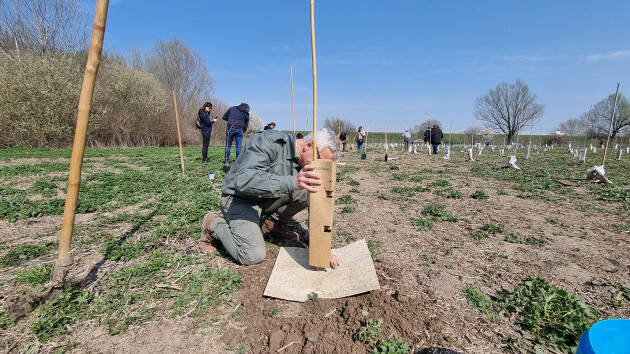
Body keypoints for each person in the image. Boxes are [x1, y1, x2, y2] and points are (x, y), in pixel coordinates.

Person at [200, 128, 341, 267]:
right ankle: (213, 224)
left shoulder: (304, 161)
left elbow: (317, 204)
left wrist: (322, 247)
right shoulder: (269, 141)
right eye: (321, 161)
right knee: (252, 254)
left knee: (308, 189)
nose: (320, 168)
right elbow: (243, 180)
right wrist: (292, 182)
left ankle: (271, 224)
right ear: (309, 145)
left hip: (265, 200)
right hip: (240, 199)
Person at [223, 103, 250, 167]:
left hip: (230, 128)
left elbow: (224, 117)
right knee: (238, 147)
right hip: (240, 130)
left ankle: (227, 161)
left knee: (228, 146)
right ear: (246, 108)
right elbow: (246, 125)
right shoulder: (246, 113)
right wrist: (242, 131)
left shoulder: (232, 108)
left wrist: (230, 120)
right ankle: (238, 163)